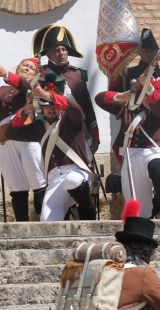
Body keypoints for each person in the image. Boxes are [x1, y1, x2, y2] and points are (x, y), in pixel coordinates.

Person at [95, 67, 160, 219]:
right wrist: (122, 96)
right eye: (145, 95)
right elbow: (99, 98)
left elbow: (157, 103)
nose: (148, 99)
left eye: (150, 94)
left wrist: (148, 87)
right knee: (139, 212)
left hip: (153, 152)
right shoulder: (127, 107)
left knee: (157, 165)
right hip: (130, 158)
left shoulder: (158, 110)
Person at [5, 76, 95, 221]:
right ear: (41, 109)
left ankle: (87, 212)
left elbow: (74, 108)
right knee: (47, 221)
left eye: (54, 105)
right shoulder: (39, 128)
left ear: (60, 106)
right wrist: (25, 110)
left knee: (72, 180)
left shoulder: (72, 119)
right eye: (46, 106)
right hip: (54, 180)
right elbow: (11, 133)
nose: (51, 109)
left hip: (77, 172)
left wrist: (46, 95)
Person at [32, 24, 100, 152]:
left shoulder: (78, 74)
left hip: (77, 130)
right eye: (56, 50)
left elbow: (87, 106)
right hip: (50, 129)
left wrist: (94, 131)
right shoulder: (40, 75)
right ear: (48, 54)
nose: (61, 53)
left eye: (63, 49)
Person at [112, 28, 160, 154]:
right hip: (134, 128)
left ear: (157, 52)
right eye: (145, 50)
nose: (148, 53)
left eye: (152, 50)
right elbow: (117, 98)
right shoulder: (127, 74)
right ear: (139, 52)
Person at [0, 60, 47, 220]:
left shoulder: (35, 87)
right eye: (24, 65)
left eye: (31, 68)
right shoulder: (3, 89)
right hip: (5, 140)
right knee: (16, 185)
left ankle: (44, 221)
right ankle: (21, 223)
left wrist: (5, 73)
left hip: (28, 137)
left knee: (38, 180)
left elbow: (24, 85)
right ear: (17, 68)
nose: (26, 68)